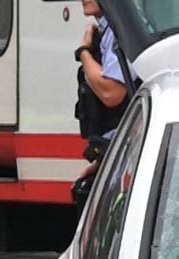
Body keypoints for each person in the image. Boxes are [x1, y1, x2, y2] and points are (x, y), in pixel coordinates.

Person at [71, 0, 134, 208]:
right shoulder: (110, 30)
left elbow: (111, 92)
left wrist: (84, 52)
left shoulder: (118, 31)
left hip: (126, 153)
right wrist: (102, 161)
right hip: (116, 150)